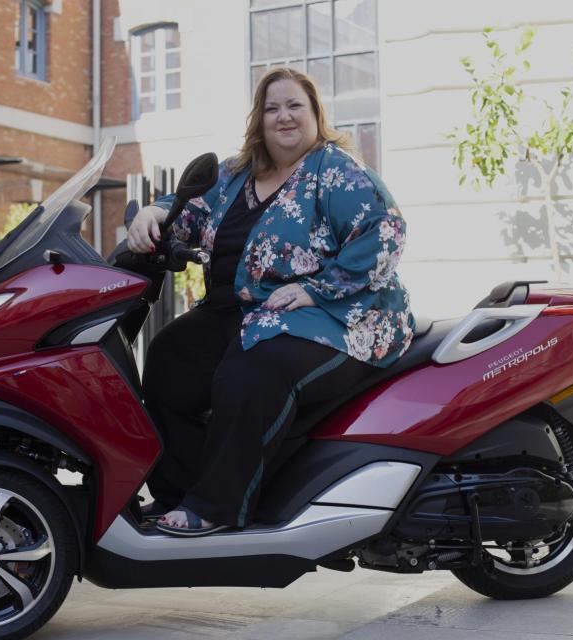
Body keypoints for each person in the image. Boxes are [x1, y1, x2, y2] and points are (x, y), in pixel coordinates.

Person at [126, 67, 415, 537]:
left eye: (294, 106)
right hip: (244, 314)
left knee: (254, 368)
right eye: (271, 107)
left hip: (339, 316)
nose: (283, 117)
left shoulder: (335, 171)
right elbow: (187, 211)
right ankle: (179, 491)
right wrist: (156, 213)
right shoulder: (235, 174)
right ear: (258, 119)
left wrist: (316, 288)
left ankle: (217, 506)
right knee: (168, 359)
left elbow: (385, 233)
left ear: (315, 114)